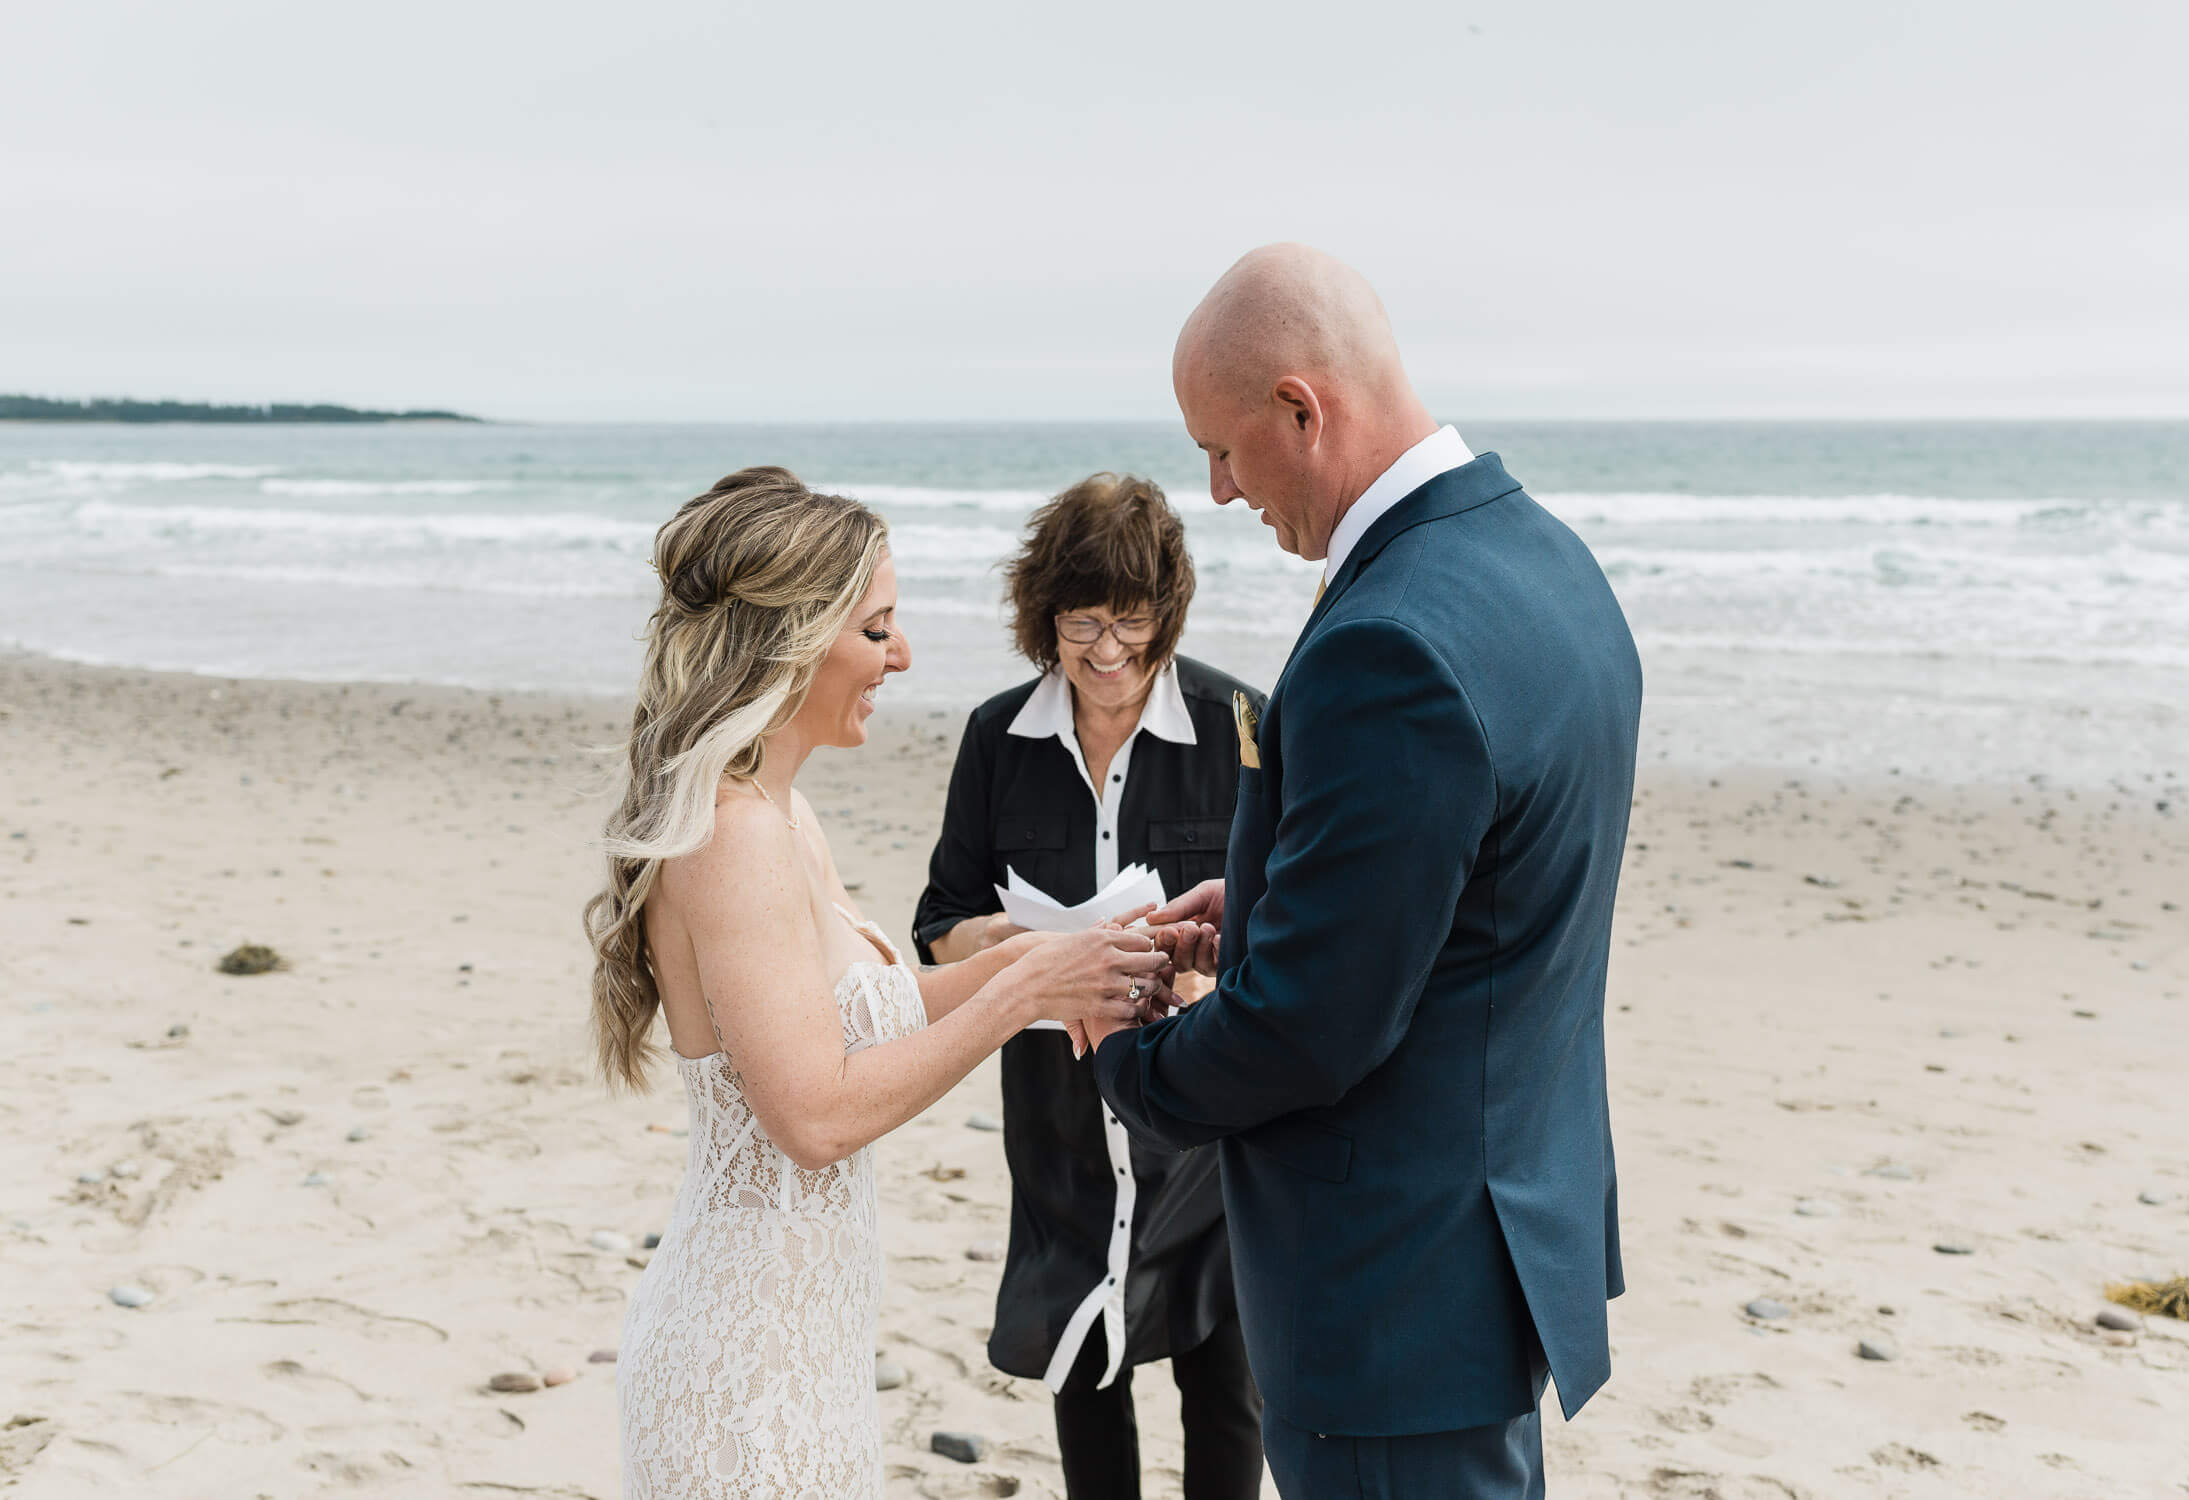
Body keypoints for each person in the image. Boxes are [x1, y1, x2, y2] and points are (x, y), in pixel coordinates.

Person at [1090, 246, 1643, 1499]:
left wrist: (1118, 1047)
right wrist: (1286, 901)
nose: (1220, 490)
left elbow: (1303, 1036)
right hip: (1492, 1243)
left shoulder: (1386, 638)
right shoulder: (1543, 561)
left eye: (1225, 449)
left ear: (1302, 406)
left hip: (1385, 1293)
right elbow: (1483, 882)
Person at [587, 467, 1177, 1500]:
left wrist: (1060, 967)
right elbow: (813, 1117)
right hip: (744, 1368)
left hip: (806, 1348)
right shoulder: (733, 836)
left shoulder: (782, 815)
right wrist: (1014, 997)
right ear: (795, 636)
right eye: (877, 630)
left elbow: (879, 1007)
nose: (900, 657)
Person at [912, 473, 1266, 1500]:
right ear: (1043, 619)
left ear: (1168, 613)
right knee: (1081, 1367)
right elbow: (938, 928)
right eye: (1080, 626)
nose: (1107, 654)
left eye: (1131, 624)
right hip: (1058, 1117)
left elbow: (1298, 925)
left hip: (1207, 1119)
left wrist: (1210, 972)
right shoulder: (995, 739)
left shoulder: (1244, 723)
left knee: (1225, 1383)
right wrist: (1026, 950)